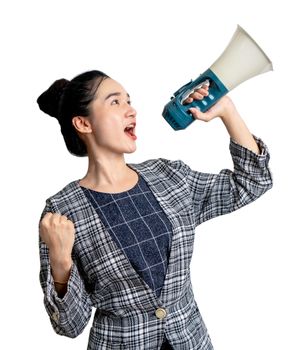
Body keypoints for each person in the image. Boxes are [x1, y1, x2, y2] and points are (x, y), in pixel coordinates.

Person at [37, 70, 273, 349]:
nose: (131, 110)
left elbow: (251, 183)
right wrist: (61, 261)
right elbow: (69, 325)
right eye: (115, 102)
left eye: (129, 101)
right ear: (83, 123)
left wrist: (227, 111)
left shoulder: (168, 177)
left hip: (191, 341)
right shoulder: (62, 212)